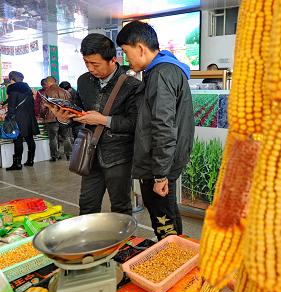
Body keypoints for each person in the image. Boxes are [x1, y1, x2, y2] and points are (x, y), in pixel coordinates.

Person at [47, 33, 141, 215]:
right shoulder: (83, 81)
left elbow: (135, 122)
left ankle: (122, 243)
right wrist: (64, 117)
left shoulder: (131, 84)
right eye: (86, 63)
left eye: (95, 64)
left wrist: (103, 120)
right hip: (89, 153)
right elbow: (80, 111)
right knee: (87, 205)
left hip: (119, 156)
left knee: (120, 207)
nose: (90, 68)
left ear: (113, 60)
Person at [117, 21, 194, 239]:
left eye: (126, 52)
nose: (126, 59)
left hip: (158, 165)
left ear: (140, 48)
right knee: (168, 213)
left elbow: (162, 126)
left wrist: (160, 175)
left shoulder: (161, 74)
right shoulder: (165, 70)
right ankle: (177, 256)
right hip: (163, 162)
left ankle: (171, 261)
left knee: (163, 220)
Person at [5, 71, 40, 170]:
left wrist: (9, 118)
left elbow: (11, 106)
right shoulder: (28, 89)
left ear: (12, 79)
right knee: (30, 139)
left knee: (18, 140)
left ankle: (17, 164)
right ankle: (30, 161)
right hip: (29, 118)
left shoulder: (12, 89)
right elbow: (32, 104)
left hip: (18, 118)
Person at [42, 76, 73, 161]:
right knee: (66, 136)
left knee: (53, 138)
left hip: (51, 119)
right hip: (64, 117)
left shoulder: (46, 92)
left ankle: (55, 156)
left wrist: (42, 116)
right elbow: (70, 106)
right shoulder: (66, 92)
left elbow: (43, 107)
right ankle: (69, 155)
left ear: (48, 83)